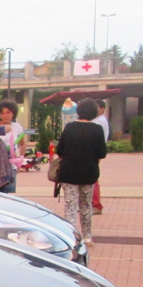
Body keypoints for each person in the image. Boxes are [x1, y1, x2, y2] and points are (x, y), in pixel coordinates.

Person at [54, 97, 106, 245]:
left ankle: (71, 237)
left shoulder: (69, 128)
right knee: (86, 205)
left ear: (78, 111)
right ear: (94, 112)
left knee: (70, 205)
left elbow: (60, 150)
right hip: (89, 173)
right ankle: (87, 236)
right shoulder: (97, 129)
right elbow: (102, 153)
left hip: (69, 172)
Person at [0, 99, 25, 193]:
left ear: (13, 113)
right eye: (2, 113)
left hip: (11, 165)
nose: (5, 115)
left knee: (7, 194)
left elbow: (22, 143)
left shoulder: (17, 127)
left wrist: (21, 160)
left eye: (8, 112)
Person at [92, 100, 109, 214]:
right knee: (91, 178)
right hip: (94, 152)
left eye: (97, 107)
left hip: (94, 152)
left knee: (92, 178)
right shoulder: (96, 120)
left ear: (102, 108)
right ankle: (93, 203)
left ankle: (96, 204)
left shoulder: (100, 121)